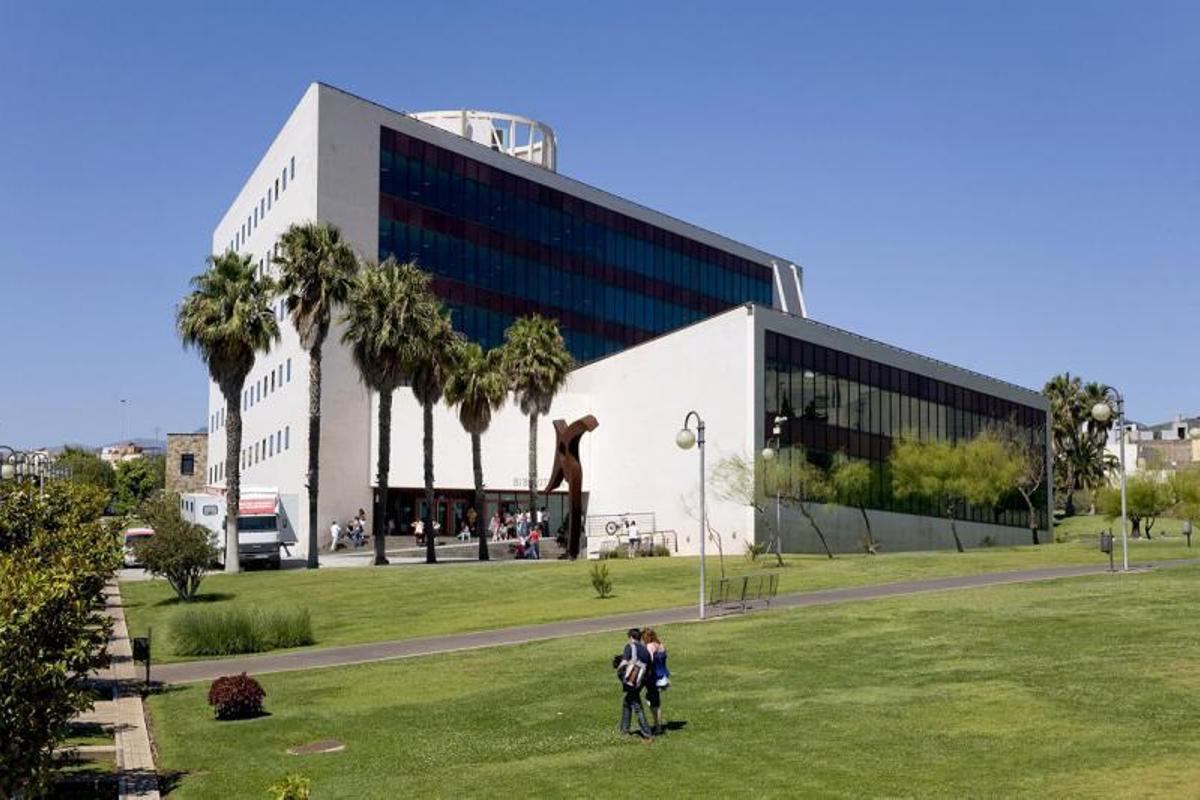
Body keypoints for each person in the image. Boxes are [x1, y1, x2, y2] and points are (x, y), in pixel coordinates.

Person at [614, 628, 654, 739]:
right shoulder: (645, 650)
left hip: (631, 679)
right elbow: (649, 666)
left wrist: (618, 670)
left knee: (637, 707)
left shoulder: (630, 646)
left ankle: (647, 734)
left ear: (631, 637)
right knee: (627, 702)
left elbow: (625, 662)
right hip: (640, 680)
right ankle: (624, 730)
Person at [641, 628, 670, 735]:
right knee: (654, 700)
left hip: (653, 676)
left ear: (646, 637)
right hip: (663, 675)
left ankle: (657, 726)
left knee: (653, 702)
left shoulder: (650, 646)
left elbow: (650, 661)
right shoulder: (661, 645)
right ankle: (657, 724)